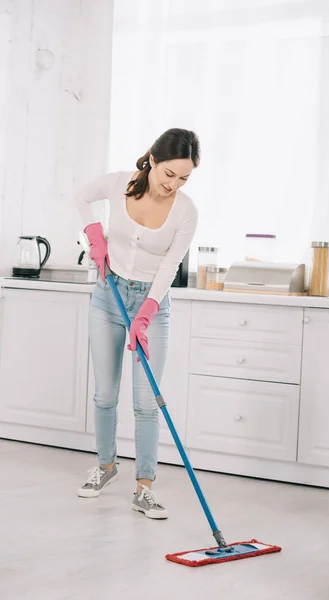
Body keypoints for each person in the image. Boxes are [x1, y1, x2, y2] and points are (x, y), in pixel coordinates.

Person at [75, 128, 200, 519]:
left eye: (183, 178)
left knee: (147, 402)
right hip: (107, 297)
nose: (173, 185)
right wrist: (94, 234)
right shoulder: (119, 185)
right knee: (105, 394)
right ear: (153, 160)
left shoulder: (186, 211)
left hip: (152, 305)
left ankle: (144, 487)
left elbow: (169, 265)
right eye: (169, 174)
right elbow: (81, 196)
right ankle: (106, 467)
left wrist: (145, 312)